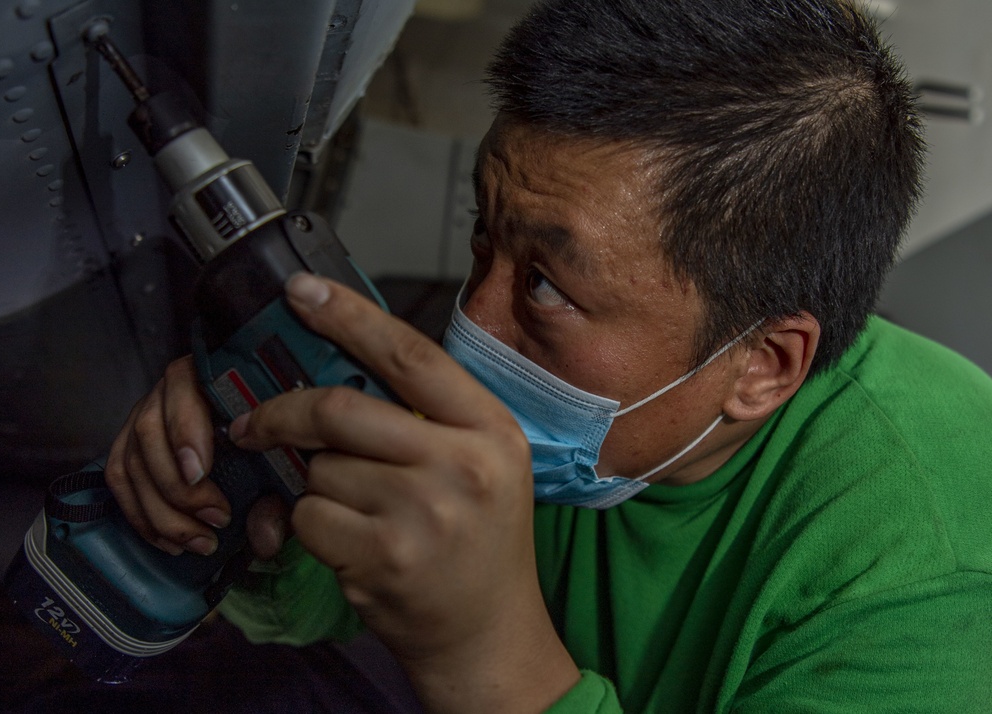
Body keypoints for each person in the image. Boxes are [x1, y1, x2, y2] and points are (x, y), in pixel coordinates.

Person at [104, 0, 992, 711]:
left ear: (762, 364)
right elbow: (335, 598)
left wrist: (483, 657)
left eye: (548, 287)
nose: (469, 329)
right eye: (483, 240)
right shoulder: (613, 415)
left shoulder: (936, 586)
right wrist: (266, 502)